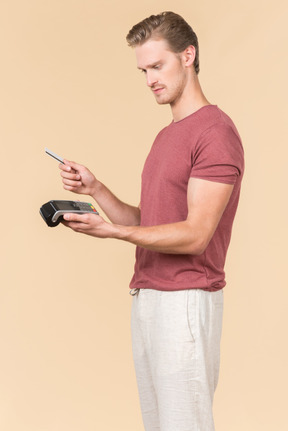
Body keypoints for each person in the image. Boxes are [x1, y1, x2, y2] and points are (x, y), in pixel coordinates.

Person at [58, 11, 244, 431]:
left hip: (185, 300)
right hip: (149, 297)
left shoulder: (215, 131)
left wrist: (112, 232)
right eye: (143, 70)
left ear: (188, 56)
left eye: (157, 66)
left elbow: (195, 235)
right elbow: (153, 222)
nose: (149, 80)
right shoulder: (168, 135)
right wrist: (97, 190)